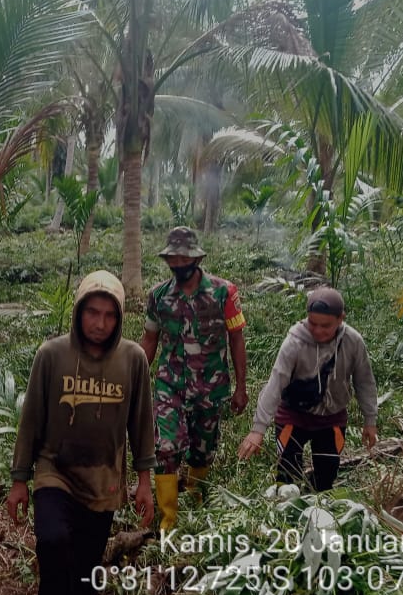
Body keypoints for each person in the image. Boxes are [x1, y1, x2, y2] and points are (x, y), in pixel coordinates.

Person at [7, 270, 156, 595]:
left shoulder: (133, 360)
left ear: (119, 317)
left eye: (110, 315)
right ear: (79, 311)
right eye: (93, 312)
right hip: (55, 470)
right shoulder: (51, 355)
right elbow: (31, 419)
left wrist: (144, 481)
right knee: (53, 544)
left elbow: (142, 425)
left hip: (104, 480)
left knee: (88, 565)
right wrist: (20, 480)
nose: (100, 323)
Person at [140, 226, 247, 531]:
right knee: (165, 447)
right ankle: (167, 521)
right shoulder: (158, 296)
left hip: (210, 387)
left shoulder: (224, 292)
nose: (178, 265)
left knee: (203, 448)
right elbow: (149, 340)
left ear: (197, 258)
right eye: (172, 259)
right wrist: (133, 377)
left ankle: (197, 499)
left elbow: (236, 339)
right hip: (169, 385)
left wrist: (241, 387)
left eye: (183, 259)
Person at [237, 286, 377, 489]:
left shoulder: (353, 342)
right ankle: (288, 514)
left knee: (326, 478)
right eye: (313, 323)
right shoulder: (294, 342)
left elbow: (364, 381)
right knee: (287, 477)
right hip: (294, 415)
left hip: (332, 417)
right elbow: (275, 384)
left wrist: (370, 420)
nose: (318, 331)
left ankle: (315, 509)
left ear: (341, 318)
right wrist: (258, 429)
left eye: (325, 325)